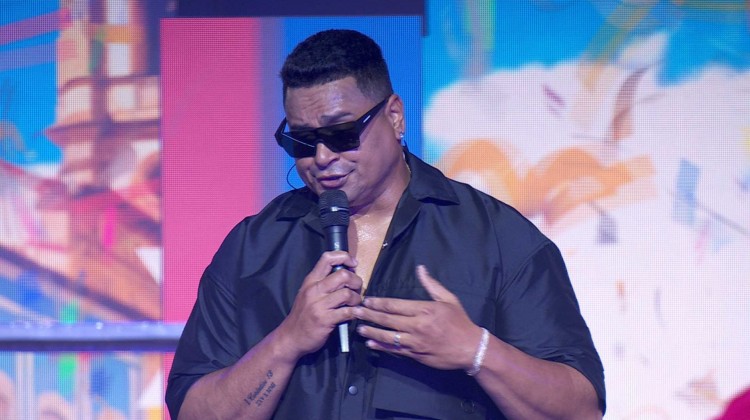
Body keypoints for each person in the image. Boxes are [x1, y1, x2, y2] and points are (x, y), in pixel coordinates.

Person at [166, 29, 606, 420]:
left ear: (394, 116)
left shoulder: (497, 238)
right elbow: (193, 411)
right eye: (302, 141)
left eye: (341, 134)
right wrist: (286, 342)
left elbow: (579, 410)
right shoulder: (252, 249)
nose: (322, 158)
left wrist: (476, 351)